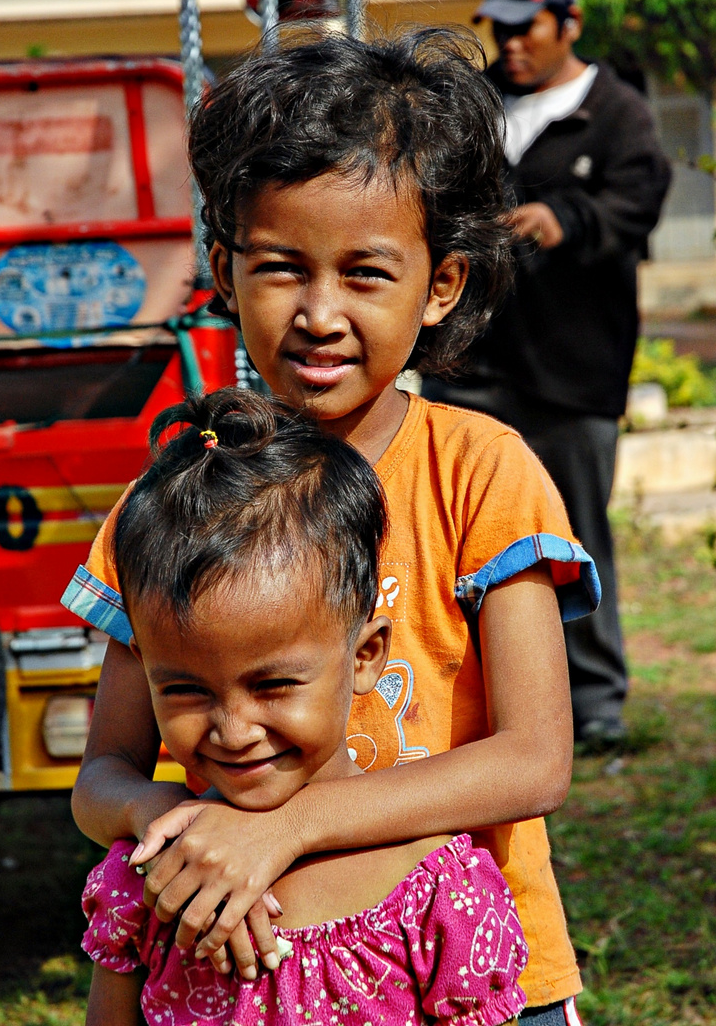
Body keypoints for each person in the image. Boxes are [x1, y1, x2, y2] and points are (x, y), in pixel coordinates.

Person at [63, 27, 600, 1024]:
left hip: (477, 978)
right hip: (235, 981)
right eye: (280, 267)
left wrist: (288, 828)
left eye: (364, 272)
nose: (319, 312)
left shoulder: (479, 473)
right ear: (224, 270)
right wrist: (170, 823)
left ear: (441, 284)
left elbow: (537, 760)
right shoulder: (174, 503)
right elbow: (102, 775)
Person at [81, 387, 530, 1026]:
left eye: (274, 686)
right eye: (185, 690)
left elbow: (538, 758)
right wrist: (164, 821)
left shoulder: (441, 897)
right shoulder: (147, 884)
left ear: (367, 656)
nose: (233, 731)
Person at [424, 0, 672, 748]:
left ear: (570, 22)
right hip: (472, 369)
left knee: (575, 540)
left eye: (525, 28)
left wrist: (563, 219)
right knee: (464, 545)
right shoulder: (479, 106)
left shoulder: (620, 113)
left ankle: (596, 702)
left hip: (575, 374)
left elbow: (637, 203)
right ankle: (473, 707)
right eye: (497, 30)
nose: (511, 45)